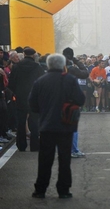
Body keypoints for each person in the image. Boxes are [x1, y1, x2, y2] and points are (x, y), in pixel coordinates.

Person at [29, 54, 85, 198]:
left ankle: (40, 189)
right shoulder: (70, 80)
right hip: (65, 125)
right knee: (64, 159)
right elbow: (80, 99)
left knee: (45, 159)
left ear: (48, 65)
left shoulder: (40, 81)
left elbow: (33, 104)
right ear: (63, 65)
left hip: (47, 125)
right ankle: (64, 190)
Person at [8, 47, 45, 152]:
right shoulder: (38, 67)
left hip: (20, 97)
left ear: (24, 54)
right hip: (34, 97)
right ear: (33, 55)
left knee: (21, 121)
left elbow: (11, 83)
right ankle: (34, 145)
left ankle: (21, 144)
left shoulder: (16, 67)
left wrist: (16, 93)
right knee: (34, 122)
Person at [63, 47, 89, 158]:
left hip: (58, 101)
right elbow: (85, 73)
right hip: (70, 101)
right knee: (72, 127)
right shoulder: (72, 69)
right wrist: (77, 61)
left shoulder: (56, 68)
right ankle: (73, 150)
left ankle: (63, 150)